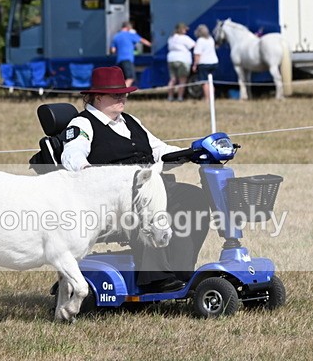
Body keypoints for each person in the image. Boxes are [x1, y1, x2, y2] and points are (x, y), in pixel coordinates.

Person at [61, 66, 209, 293]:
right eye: (116, 94)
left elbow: (159, 149)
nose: (122, 97)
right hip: (113, 198)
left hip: (153, 185)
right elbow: (72, 155)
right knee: (146, 205)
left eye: (124, 92)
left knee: (194, 198)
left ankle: (182, 271)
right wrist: (90, 170)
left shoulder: (130, 121)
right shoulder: (82, 124)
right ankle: (155, 278)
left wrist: (192, 152)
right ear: (97, 97)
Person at [110, 21, 151, 87]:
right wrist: (152, 46)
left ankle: (120, 94)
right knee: (130, 78)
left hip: (119, 61)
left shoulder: (116, 36)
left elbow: (113, 50)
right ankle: (123, 94)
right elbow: (142, 41)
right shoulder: (130, 35)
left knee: (123, 79)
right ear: (128, 28)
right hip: (127, 59)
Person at [167, 22, 195, 102]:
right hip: (183, 60)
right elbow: (194, 45)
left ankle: (170, 97)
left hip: (171, 59)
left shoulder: (171, 38)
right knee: (182, 80)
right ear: (181, 29)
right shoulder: (184, 38)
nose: (186, 31)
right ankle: (180, 97)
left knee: (172, 79)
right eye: (185, 29)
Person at [193, 24, 219, 101]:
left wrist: (195, 65)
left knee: (205, 82)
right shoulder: (211, 39)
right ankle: (212, 98)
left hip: (204, 63)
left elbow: (197, 54)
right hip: (214, 62)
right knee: (211, 81)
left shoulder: (200, 41)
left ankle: (207, 98)